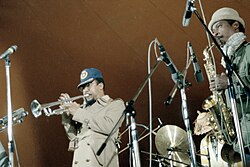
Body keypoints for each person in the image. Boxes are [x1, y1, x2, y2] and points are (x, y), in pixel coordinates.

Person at [208, 7, 250, 163]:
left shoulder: (249, 51)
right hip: (242, 138)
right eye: (213, 30)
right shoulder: (230, 61)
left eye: (219, 26)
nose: (216, 33)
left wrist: (230, 82)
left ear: (235, 25)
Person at [59, 68, 125, 167]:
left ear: (100, 86)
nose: (85, 90)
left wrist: (78, 112)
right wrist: (66, 116)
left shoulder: (115, 104)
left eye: (88, 85)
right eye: (83, 88)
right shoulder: (84, 110)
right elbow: (73, 138)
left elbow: (109, 126)